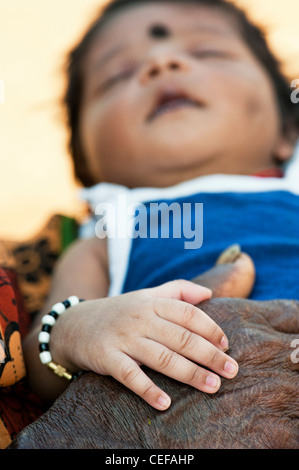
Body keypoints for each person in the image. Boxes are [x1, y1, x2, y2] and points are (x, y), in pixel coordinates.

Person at [22, 0, 299, 413]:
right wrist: (80, 331)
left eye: (208, 52)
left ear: (287, 130)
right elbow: (40, 357)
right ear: (89, 164)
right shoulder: (107, 233)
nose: (161, 62)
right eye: (118, 75)